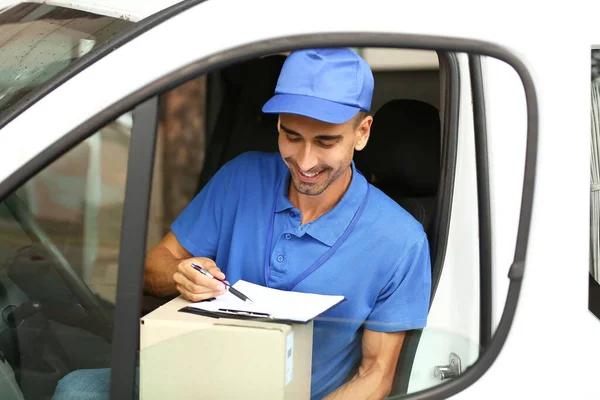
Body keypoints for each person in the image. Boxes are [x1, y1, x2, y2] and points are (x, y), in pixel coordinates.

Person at [53, 48, 431, 400]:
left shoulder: (400, 240)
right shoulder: (242, 177)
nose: (305, 160)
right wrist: (180, 274)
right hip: (194, 382)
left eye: (326, 141)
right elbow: (155, 264)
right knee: (79, 389)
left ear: (362, 133)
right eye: (291, 135)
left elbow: (376, 374)